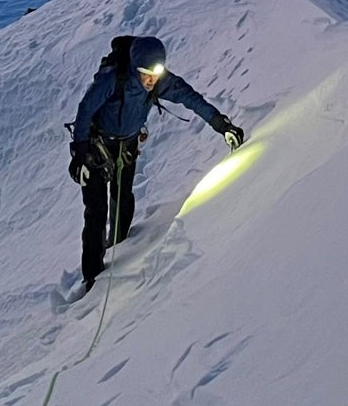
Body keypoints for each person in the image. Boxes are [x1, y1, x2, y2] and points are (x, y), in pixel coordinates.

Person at [68, 34, 243, 289]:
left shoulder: (161, 82)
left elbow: (191, 98)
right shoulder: (112, 80)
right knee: (96, 211)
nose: (150, 80)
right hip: (97, 148)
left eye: (155, 74)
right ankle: (92, 277)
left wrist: (221, 125)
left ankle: (120, 247)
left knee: (123, 197)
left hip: (126, 146)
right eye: (145, 74)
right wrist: (79, 157)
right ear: (134, 68)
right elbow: (85, 111)